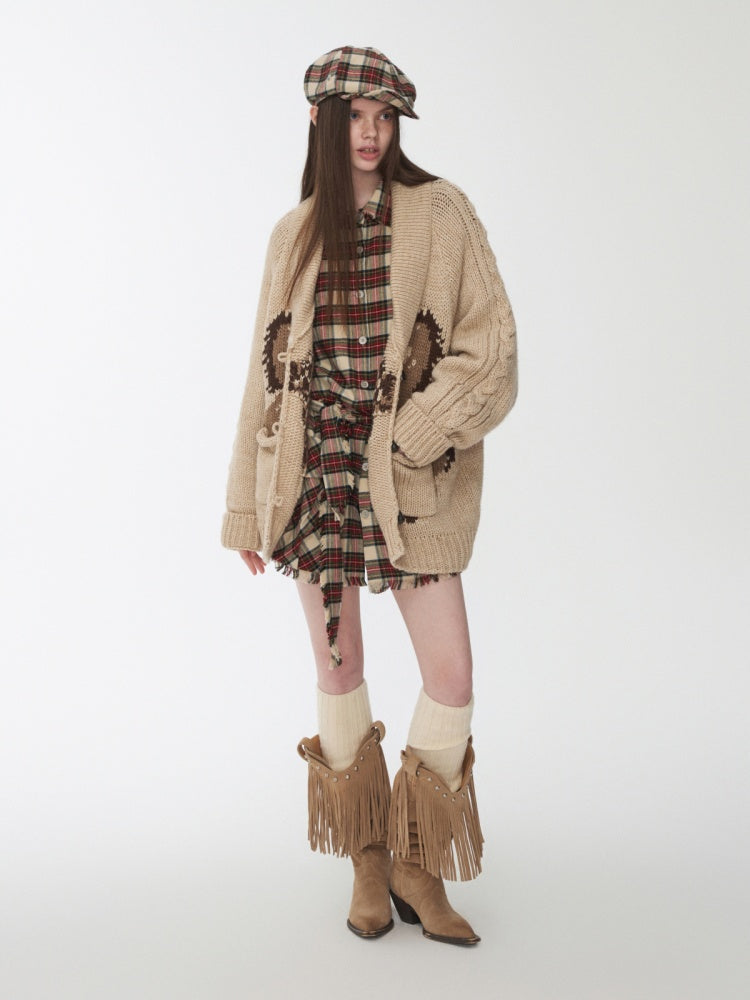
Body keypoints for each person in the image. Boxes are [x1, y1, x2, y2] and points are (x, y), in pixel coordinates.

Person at [220, 45, 518, 946]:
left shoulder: (441, 213)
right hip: (313, 485)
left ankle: (419, 860)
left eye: (385, 118)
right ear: (321, 121)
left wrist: (417, 432)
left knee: (451, 676)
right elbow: (262, 379)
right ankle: (369, 858)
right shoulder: (293, 235)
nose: (372, 133)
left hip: (408, 488)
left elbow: (492, 352)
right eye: (356, 116)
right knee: (339, 672)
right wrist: (247, 509)